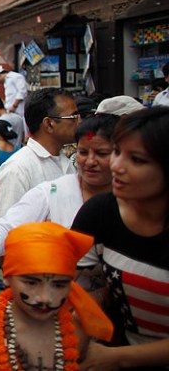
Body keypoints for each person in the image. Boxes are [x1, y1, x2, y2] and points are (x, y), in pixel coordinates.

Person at [0, 113, 120, 278]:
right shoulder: (54, 191)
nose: (90, 161)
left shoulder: (136, 200)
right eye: (83, 152)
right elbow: (9, 224)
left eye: (102, 154)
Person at [72, 107, 169, 369]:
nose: (116, 166)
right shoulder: (101, 211)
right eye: (116, 152)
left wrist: (115, 357)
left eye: (136, 159)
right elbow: (54, 273)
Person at [0, 222, 113, 371]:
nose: (45, 298)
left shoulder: (77, 331)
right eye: (31, 282)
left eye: (59, 285)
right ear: (7, 276)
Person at [0, 88, 79, 221]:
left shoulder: (66, 162)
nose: (78, 122)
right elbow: (6, 230)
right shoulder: (17, 169)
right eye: (72, 117)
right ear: (49, 124)